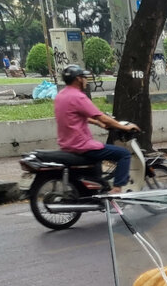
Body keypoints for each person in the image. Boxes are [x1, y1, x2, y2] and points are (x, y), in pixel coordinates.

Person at [54, 63, 135, 193]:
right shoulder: (78, 96)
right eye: (84, 77)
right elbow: (101, 116)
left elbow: (74, 116)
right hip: (82, 145)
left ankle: (98, 187)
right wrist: (123, 127)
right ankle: (117, 188)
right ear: (78, 79)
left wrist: (98, 124)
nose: (86, 80)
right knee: (124, 154)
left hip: (67, 144)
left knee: (98, 161)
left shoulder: (61, 96)